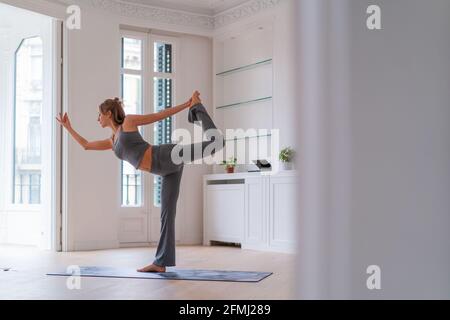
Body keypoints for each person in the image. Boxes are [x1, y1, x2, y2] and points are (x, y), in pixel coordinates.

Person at [56, 91, 225, 272]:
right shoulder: (113, 140)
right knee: (167, 214)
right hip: (166, 171)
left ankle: (197, 107)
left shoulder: (128, 123)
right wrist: (68, 127)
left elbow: (158, 116)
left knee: (216, 143)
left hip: (168, 156)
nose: (98, 118)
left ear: (108, 114)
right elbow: (86, 145)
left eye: (99, 114)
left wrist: (187, 104)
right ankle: (160, 263)